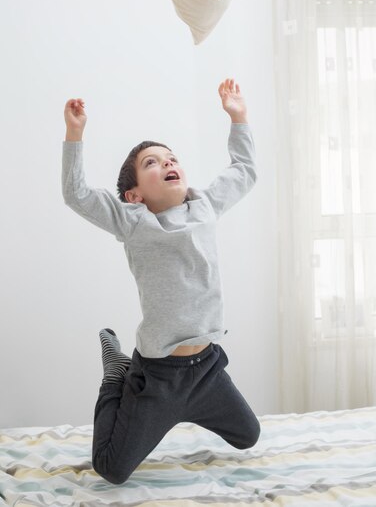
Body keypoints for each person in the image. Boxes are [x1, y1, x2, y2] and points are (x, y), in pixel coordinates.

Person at [62, 78, 260, 485]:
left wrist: (238, 117)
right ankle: (116, 375)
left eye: (171, 158)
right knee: (111, 469)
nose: (168, 163)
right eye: (152, 162)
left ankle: (189, 402)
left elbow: (244, 170)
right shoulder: (133, 221)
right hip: (160, 377)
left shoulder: (205, 203)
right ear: (134, 194)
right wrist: (75, 134)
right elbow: (77, 194)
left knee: (248, 436)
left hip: (206, 369)